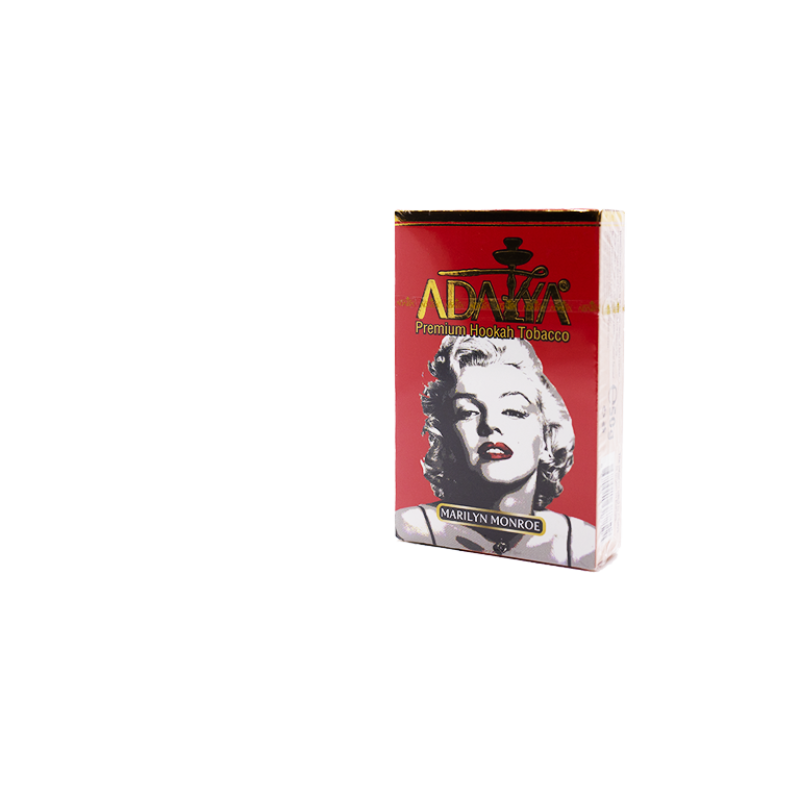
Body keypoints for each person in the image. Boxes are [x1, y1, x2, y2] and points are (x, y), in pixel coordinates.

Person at [395, 336, 596, 568]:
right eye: (468, 412)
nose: (490, 424)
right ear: (447, 439)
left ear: (547, 439)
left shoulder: (582, 545)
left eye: (513, 411)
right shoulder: (410, 529)